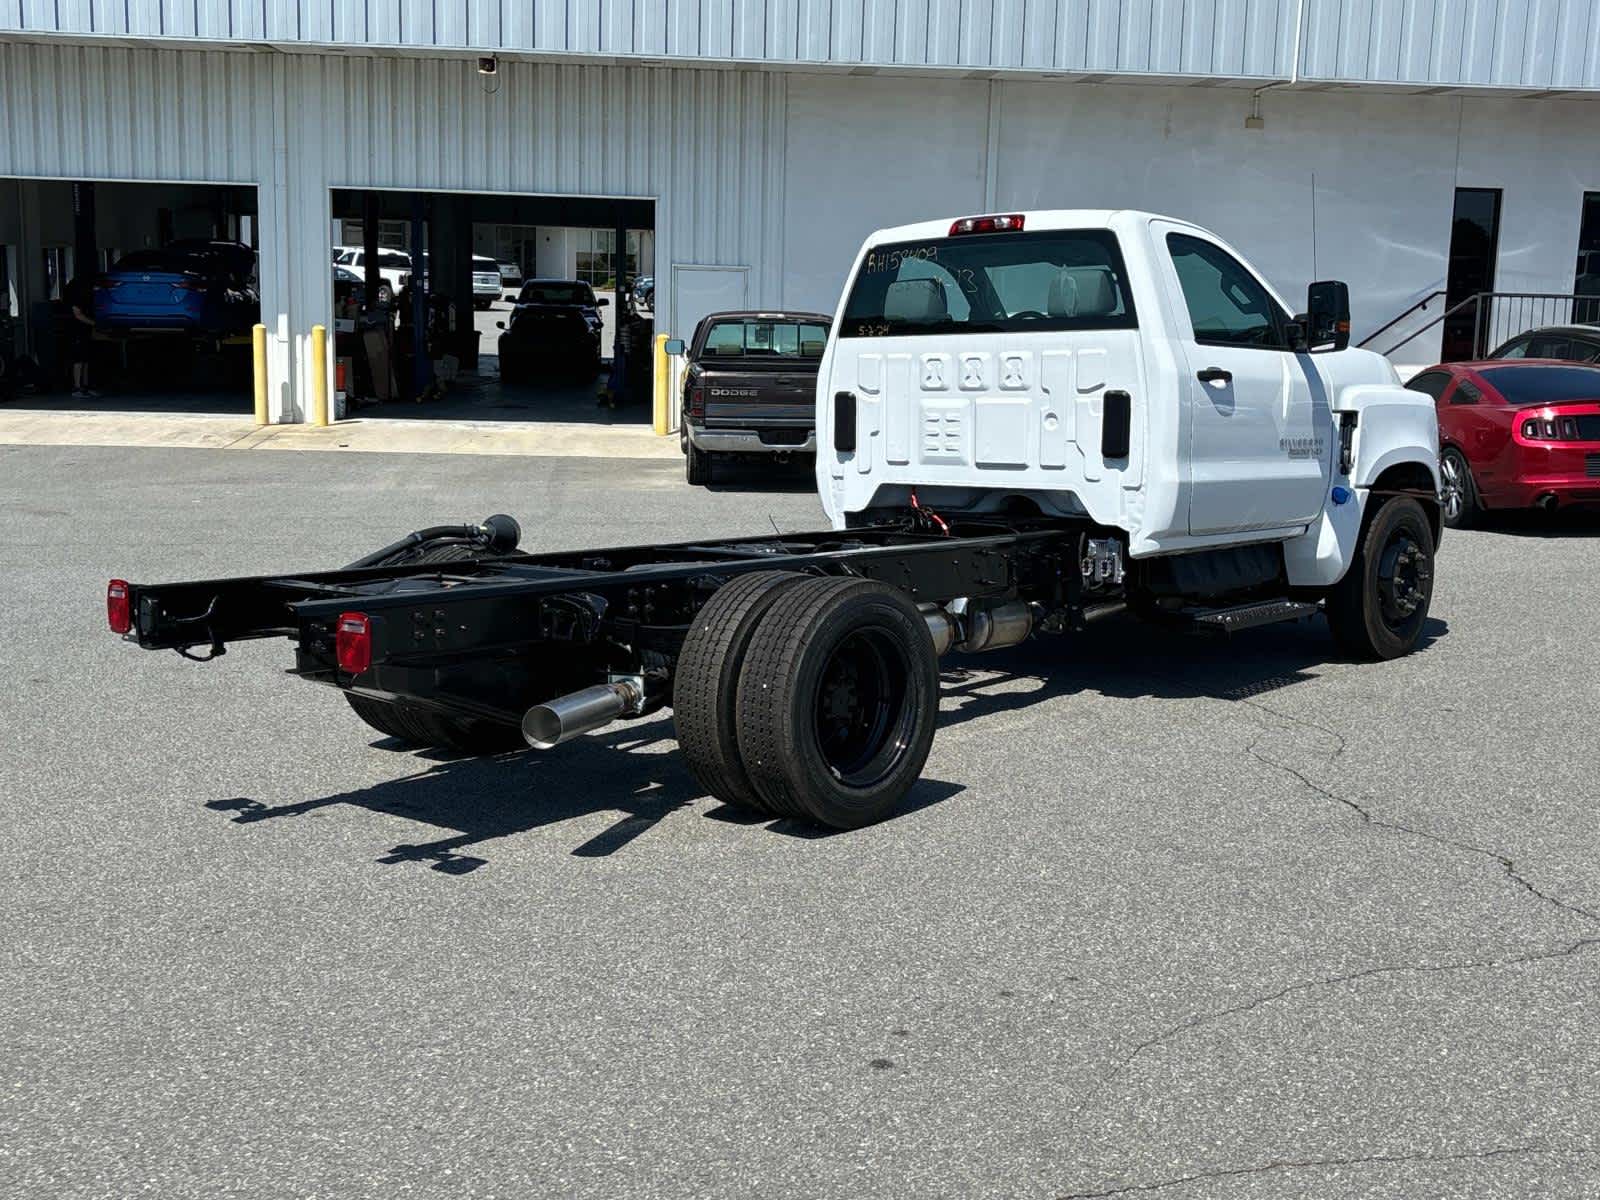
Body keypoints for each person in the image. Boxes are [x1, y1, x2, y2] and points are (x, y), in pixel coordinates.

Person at [66, 274, 99, 398]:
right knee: (78, 359)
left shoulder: (85, 297)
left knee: (86, 358)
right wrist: (94, 323)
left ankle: (85, 386)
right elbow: (78, 314)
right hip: (76, 331)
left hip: (85, 330)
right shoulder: (75, 297)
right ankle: (77, 387)